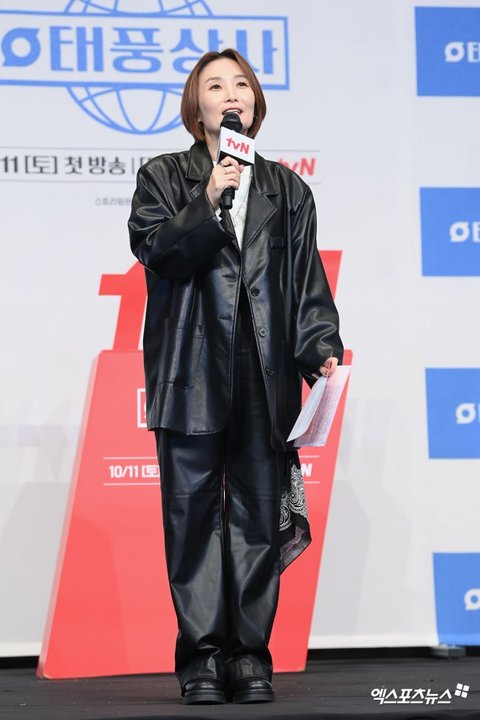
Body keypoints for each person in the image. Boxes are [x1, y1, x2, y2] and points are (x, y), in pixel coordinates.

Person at [128, 48, 343, 705]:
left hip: (263, 369)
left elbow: (306, 284)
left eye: (241, 84)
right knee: (192, 515)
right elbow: (158, 252)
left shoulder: (287, 189)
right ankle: (201, 658)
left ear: (255, 103)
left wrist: (321, 348)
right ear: (196, 107)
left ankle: (249, 657)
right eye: (216, 85)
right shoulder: (165, 175)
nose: (231, 94)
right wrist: (208, 197)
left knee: (256, 514)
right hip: (190, 365)